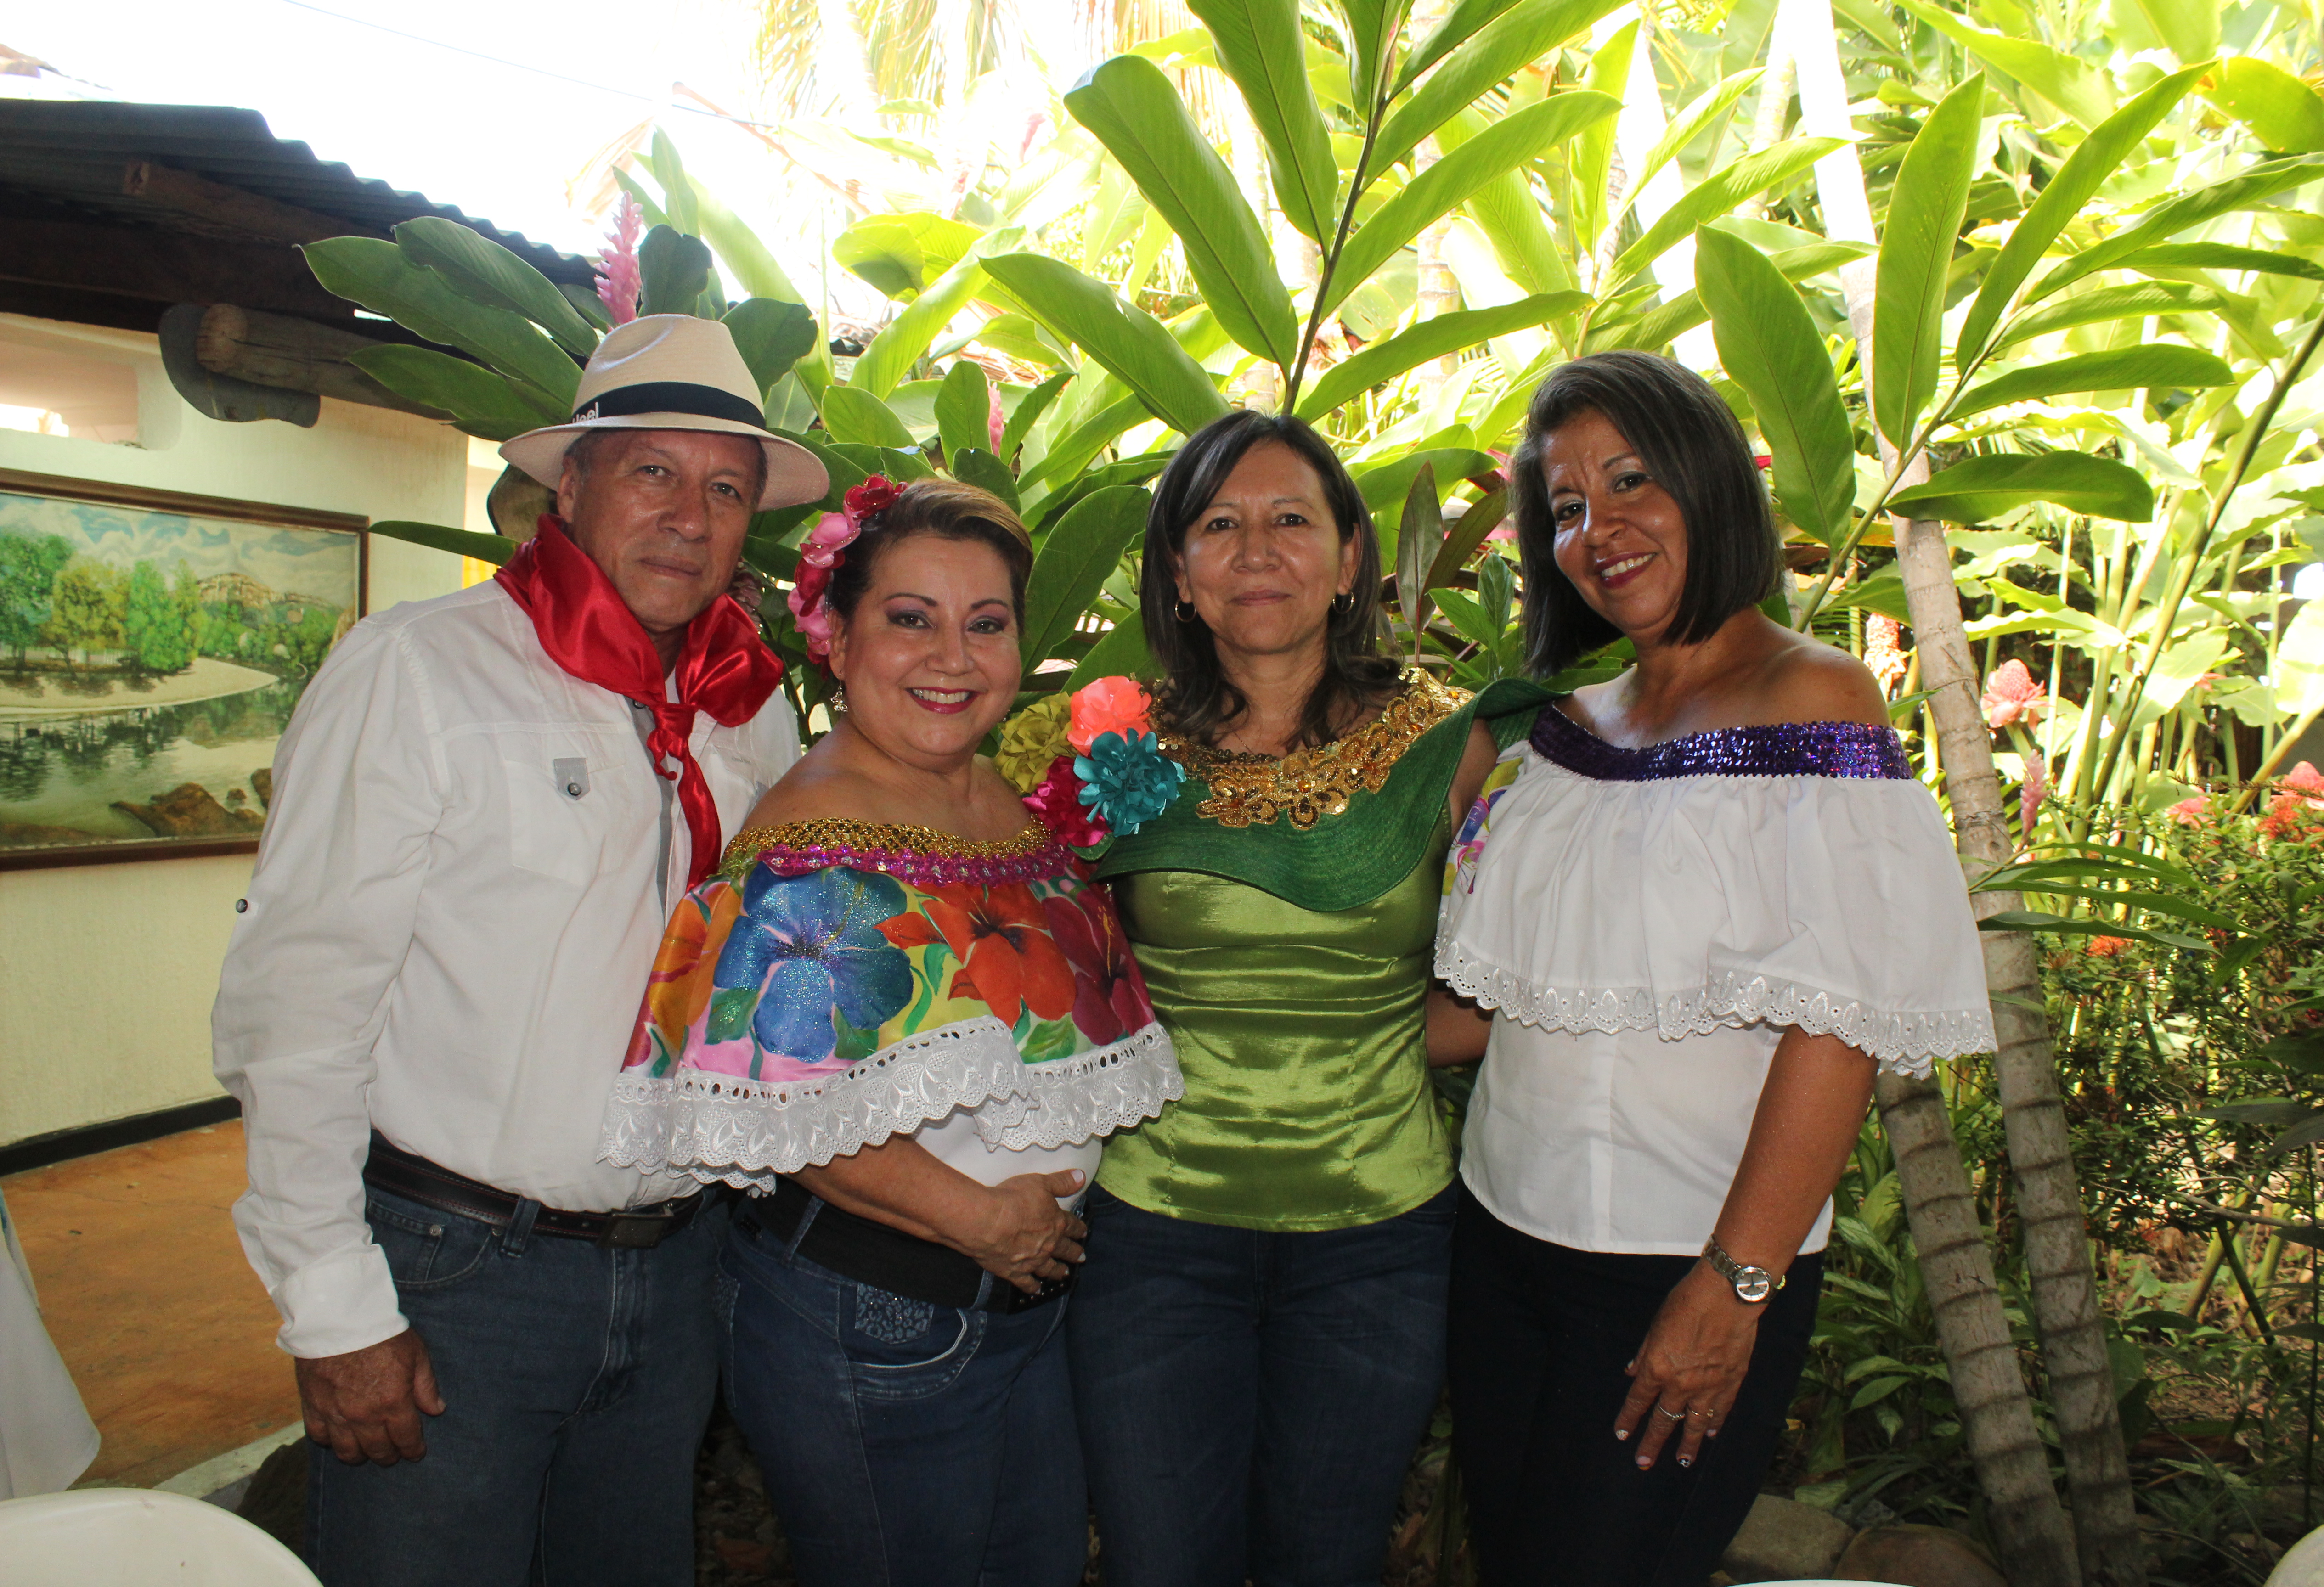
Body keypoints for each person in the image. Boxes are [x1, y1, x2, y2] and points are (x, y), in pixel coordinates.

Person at [213, 315, 821, 1587]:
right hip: (457, 1275)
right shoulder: (419, 673)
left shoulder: (745, 709)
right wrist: (335, 1309)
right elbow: (298, 1008)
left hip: (675, 1275)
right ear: (571, 482)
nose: (688, 516)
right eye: (653, 471)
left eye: (725, 489)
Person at [1427, 351, 1996, 1585]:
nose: (1599, 526)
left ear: (1709, 484)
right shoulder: (1569, 731)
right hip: (1500, 1242)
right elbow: (1494, 1013)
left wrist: (1736, 1283)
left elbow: (1835, 1025)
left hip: (1681, 1263)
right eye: (1567, 505)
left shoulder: (1818, 701)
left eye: (1632, 480)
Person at [602, 476, 1183, 1587]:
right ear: (837, 637)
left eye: (986, 625)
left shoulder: (993, 801)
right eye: (909, 619)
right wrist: (979, 1219)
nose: (950, 659)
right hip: (878, 1317)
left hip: (1007, 1301)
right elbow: (767, 1099)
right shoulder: (818, 834)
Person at [1069, 410, 1545, 1587]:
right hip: (1150, 1231)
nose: (1257, 549)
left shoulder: (1453, 744)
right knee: (1158, 1563)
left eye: (1292, 520)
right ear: (1178, 572)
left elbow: (1514, 985)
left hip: (1377, 1237)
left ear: (1348, 563)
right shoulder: (1113, 749)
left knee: (1324, 1560)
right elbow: (1058, 979)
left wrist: (1363, 1049)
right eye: (1219, 525)